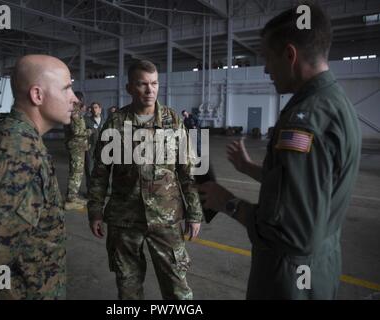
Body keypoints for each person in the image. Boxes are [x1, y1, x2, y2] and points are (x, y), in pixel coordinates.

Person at [199, 3, 361, 300]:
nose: (264, 68)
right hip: (319, 268)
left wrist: (229, 203)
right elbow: (306, 190)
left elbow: (295, 234)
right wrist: (250, 168)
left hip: (290, 278)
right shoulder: (335, 103)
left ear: (290, 55)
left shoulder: (305, 120)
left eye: (267, 58)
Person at [0, 54, 79, 299]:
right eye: (67, 88)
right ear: (37, 95)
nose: (74, 99)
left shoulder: (16, 135)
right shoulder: (19, 148)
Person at [88, 60, 203, 300]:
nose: (150, 90)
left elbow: (187, 171)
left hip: (166, 219)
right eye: (142, 84)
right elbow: (100, 173)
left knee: (177, 287)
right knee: (128, 287)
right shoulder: (116, 123)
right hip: (125, 219)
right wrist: (95, 210)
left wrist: (194, 213)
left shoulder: (173, 120)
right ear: (130, 88)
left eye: (154, 83)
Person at [64, 91, 89, 211]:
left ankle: (73, 195)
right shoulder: (75, 113)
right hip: (76, 146)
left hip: (76, 146)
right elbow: (78, 132)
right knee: (76, 173)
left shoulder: (73, 111)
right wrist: (91, 131)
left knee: (75, 171)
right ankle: (71, 199)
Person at [85, 102, 105, 190]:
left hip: (102, 148)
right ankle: (90, 190)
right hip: (90, 147)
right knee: (89, 168)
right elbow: (82, 133)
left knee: (102, 169)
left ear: (100, 109)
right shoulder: (87, 120)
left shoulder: (105, 121)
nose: (94, 109)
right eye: (92, 108)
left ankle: (102, 189)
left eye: (96, 107)